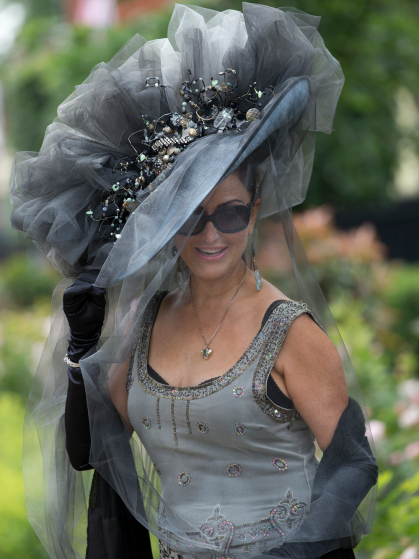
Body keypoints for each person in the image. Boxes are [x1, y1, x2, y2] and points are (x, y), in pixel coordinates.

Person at [10, 4, 378, 559]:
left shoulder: (291, 333)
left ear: (254, 211)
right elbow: (91, 453)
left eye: (229, 213)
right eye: (189, 217)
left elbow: (353, 463)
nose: (210, 235)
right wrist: (81, 352)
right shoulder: (143, 324)